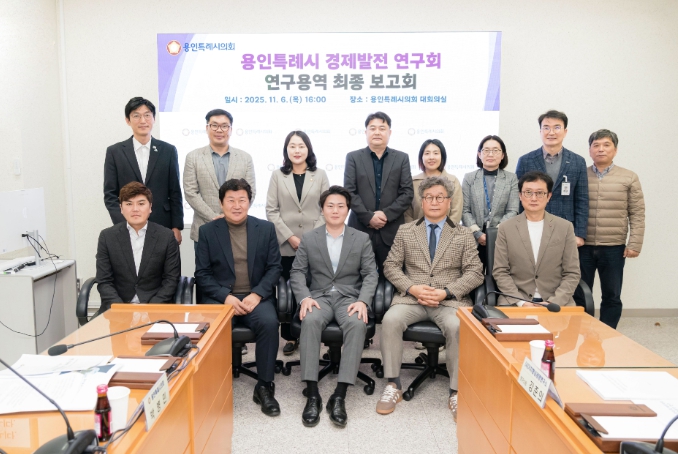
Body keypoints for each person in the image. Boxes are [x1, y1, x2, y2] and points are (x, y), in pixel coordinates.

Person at [378, 176, 484, 421]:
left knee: (458, 325)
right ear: (422, 201)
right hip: (411, 299)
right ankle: (393, 384)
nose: (434, 202)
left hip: (449, 300)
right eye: (429, 198)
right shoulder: (406, 231)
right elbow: (390, 266)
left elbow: (475, 272)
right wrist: (412, 288)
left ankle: (456, 391)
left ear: (449, 202)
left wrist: (446, 291)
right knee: (390, 320)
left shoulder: (463, 234)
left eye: (439, 197)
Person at [290, 186, 378, 428]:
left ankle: (339, 395)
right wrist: (304, 298)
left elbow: (371, 274)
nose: (335, 210)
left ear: (348, 210)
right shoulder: (310, 238)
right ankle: (312, 394)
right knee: (309, 320)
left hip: (349, 298)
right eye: (330, 206)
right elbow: (297, 272)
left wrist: (363, 301)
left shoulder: (361, 238)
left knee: (357, 324)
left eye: (341, 206)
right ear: (322, 209)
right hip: (319, 297)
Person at [194, 179, 282, 416]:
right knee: (214, 326)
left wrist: (257, 294)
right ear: (221, 203)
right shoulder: (208, 231)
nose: (236, 205)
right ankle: (214, 386)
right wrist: (226, 297)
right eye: (230, 200)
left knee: (269, 323)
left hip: (256, 296)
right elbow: (202, 274)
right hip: (221, 298)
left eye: (242, 200)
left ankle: (264, 386)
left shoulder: (265, 229)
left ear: (249, 202)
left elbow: (274, 267)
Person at [266, 131, 330, 356]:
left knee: (313, 288)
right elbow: (271, 211)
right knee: (289, 290)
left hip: (315, 244)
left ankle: (312, 331)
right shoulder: (277, 175)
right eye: (292, 146)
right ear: (286, 150)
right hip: (286, 244)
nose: (297, 150)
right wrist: (291, 237)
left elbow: (326, 208)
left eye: (301, 146)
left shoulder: (320, 175)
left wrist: (309, 239)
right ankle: (290, 337)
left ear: (308, 149)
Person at [574, 129, 645, 329]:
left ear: (615, 150)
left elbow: (637, 213)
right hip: (583, 246)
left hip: (614, 247)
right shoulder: (580, 175)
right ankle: (582, 333)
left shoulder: (629, 177)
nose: (601, 149)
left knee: (612, 295)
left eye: (606, 145)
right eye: (596, 145)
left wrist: (634, 243)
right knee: (580, 294)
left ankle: (608, 334)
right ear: (589, 150)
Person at [493, 171, 581, 308]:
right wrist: (522, 302)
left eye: (540, 193)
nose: (534, 198)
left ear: (549, 196)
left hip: (556, 302)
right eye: (528, 193)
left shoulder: (565, 227)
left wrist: (553, 302)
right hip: (515, 301)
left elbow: (572, 272)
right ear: (520, 195)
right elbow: (500, 271)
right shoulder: (506, 228)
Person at [103, 97, 184, 244]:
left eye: (147, 115)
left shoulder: (168, 150)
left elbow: (175, 192)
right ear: (128, 120)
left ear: (154, 119)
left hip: (162, 223)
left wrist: (176, 226)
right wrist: (124, 223)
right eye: (136, 116)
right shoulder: (115, 152)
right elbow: (110, 194)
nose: (143, 120)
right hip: (128, 225)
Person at [344, 111, 414, 273]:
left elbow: (407, 193)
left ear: (390, 132)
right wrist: (369, 217)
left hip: (391, 230)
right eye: (372, 128)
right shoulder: (353, 157)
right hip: (360, 228)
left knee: (392, 277)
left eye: (382, 128)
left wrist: (386, 215)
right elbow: (349, 192)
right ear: (365, 132)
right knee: (357, 277)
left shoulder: (401, 158)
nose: (377, 132)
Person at [96, 182, 180, 315]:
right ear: (121, 208)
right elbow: (104, 281)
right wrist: (122, 310)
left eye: (141, 204)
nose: (135, 209)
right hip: (118, 308)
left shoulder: (166, 236)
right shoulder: (107, 237)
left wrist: (150, 309)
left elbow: (171, 280)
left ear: (150, 207)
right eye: (129, 204)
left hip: (155, 308)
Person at [184, 109, 256, 248]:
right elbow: (190, 192)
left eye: (224, 126)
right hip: (204, 228)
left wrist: (231, 216)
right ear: (207, 128)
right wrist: (214, 218)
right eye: (214, 125)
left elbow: (250, 192)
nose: (219, 130)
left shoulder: (245, 158)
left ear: (231, 129)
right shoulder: (193, 157)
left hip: (237, 230)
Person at [515, 110, 588, 246]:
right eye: (546, 128)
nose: (551, 132)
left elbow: (582, 200)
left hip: (566, 227)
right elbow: (518, 198)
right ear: (540, 132)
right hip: (532, 226)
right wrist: (519, 228)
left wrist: (579, 234)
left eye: (557, 127)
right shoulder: (525, 160)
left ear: (565, 132)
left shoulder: (578, 161)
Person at [462, 135, 520, 270]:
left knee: (498, 274)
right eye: (486, 150)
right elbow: (464, 210)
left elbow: (513, 210)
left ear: (502, 155)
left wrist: (495, 233)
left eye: (495, 150)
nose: (490, 154)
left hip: (501, 235)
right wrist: (477, 234)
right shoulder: (469, 178)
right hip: (474, 236)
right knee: (473, 274)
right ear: (479, 154)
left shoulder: (511, 178)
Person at [405, 139, 462, 224]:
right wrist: (413, 231)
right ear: (421, 157)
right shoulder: (413, 182)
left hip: (447, 231)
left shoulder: (453, 181)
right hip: (415, 231)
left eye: (436, 153)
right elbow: (407, 213)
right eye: (427, 153)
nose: (431, 157)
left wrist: (445, 231)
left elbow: (456, 213)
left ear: (442, 157)